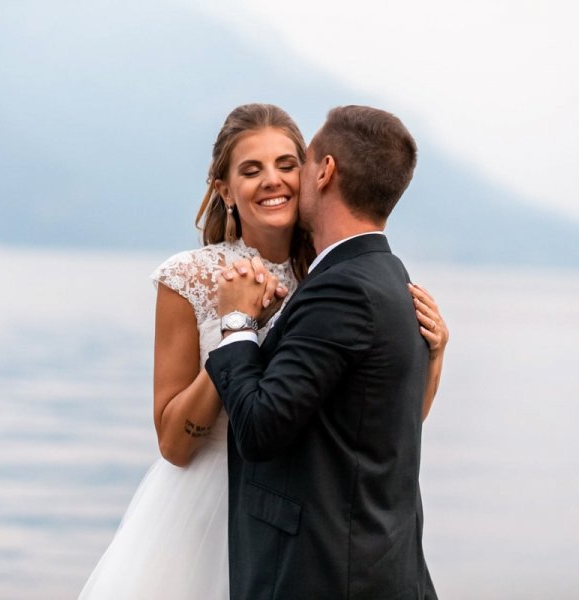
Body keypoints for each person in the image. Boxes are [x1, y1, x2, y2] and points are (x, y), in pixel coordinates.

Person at [77, 104, 447, 599]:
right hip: (207, 510)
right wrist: (244, 331)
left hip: (304, 528)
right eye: (251, 170)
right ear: (226, 190)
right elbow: (174, 445)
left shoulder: (336, 276)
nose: (273, 180)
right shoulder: (192, 278)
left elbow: (374, 430)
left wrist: (432, 356)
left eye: (287, 164)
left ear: (317, 173)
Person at [206, 105, 437, 599]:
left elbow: (260, 428)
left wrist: (237, 323)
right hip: (383, 572)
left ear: (326, 171)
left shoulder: (342, 290)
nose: (289, 179)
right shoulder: (392, 277)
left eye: (301, 161)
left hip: (326, 578)